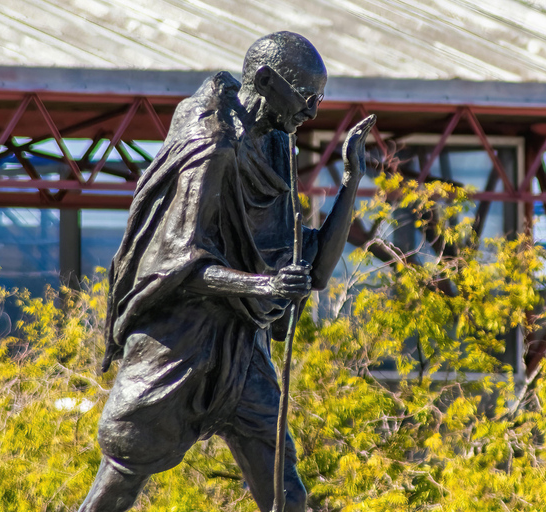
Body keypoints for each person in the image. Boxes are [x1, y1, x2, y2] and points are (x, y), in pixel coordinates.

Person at [79, 31, 375, 512]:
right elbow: (176, 264)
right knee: (121, 477)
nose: (312, 112)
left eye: (318, 99)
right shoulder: (212, 145)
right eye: (305, 97)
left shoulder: (277, 145)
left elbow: (311, 269)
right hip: (180, 340)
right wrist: (263, 285)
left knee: (285, 491)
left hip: (240, 345)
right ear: (264, 80)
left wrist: (351, 179)